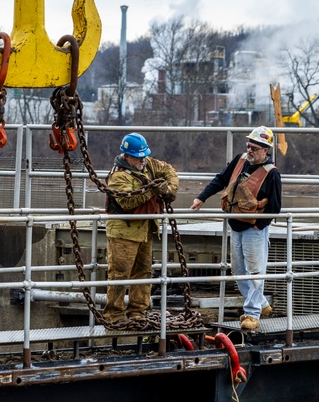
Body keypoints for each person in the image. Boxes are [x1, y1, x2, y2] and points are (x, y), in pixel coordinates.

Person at [191, 125, 282, 331]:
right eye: (249, 146)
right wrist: (201, 198)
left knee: (254, 271)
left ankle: (252, 314)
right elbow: (221, 180)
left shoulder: (272, 174)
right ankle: (262, 304)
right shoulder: (240, 161)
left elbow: (275, 207)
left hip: (253, 230)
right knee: (239, 271)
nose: (250, 150)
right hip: (235, 225)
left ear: (265, 150)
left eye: (255, 148)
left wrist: (259, 225)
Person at [102, 133, 178, 324]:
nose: (142, 160)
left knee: (143, 272)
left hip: (145, 229)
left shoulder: (149, 164)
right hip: (123, 233)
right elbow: (128, 201)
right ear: (126, 156)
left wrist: (169, 189)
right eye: (138, 157)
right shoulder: (118, 177)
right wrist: (154, 189)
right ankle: (115, 315)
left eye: (144, 156)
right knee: (120, 273)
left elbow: (168, 171)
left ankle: (138, 312)